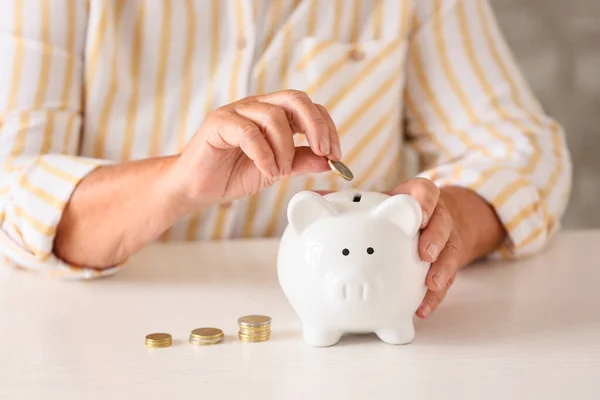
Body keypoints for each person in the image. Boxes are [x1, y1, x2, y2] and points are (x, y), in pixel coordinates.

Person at [0, 0, 571, 319]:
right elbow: (11, 185)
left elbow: (524, 150)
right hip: (103, 335)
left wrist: (446, 224)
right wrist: (176, 183)